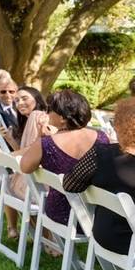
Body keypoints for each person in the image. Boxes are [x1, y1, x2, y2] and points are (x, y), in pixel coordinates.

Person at [19, 90, 110, 227]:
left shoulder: (46, 143)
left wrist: (40, 137)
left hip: (61, 213)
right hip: (96, 213)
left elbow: (25, 167)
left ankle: (53, 246)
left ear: (62, 117)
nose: (47, 113)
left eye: (50, 110)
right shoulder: (102, 137)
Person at [64, 97, 135, 254]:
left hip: (104, 236)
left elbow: (69, 184)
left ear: (119, 126)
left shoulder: (101, 153)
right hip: (129, 243)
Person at [1, 87, 51, 239]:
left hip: (42, 180)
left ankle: (14, 228)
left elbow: (33, 150)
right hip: (35, 176)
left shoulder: (38, 116)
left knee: (7, 183)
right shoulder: (29, 119)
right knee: (8, 181)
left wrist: (6, 157)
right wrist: (10, 139)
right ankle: (17, 229)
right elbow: (27, 152)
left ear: (36, 98)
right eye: (16, 101)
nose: (20, 103)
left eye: (24, 98)